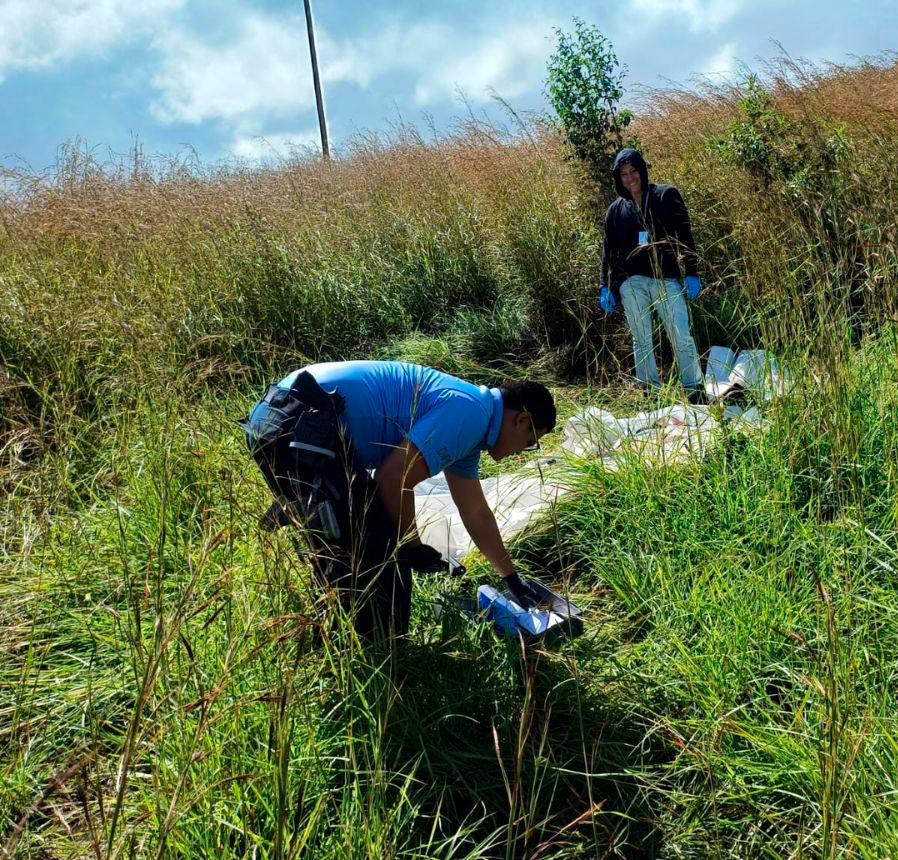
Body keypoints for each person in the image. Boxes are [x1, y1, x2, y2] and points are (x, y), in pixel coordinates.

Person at [242, 361, 556, 636]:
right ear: (521, 419)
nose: (521, 451)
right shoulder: (470, 414)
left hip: (282, 416)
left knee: (349, 542)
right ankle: (377, 655)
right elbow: (394, 478)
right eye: (529, 441)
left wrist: (511, 579)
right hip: (299, 423)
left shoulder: (474, 422)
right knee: (381, 560)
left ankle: (307, 509)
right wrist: (412, 546)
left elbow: (476, 513)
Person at [599, 147, 705, 403]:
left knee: (681, 335)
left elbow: (685, 235)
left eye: (633, 171)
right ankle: (652, 395)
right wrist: (606, 286)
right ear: (618, 178)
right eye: (623, 174)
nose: (629, 178)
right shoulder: (615, 210)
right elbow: (608, 250)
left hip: (666, 279)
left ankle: (695, 392)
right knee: (642, 340)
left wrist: (691, 272)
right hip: (631, 283)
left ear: (642, 170)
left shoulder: (665, 196)